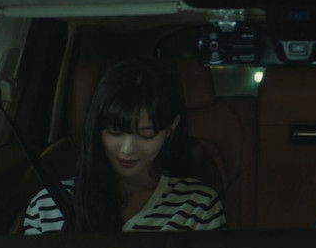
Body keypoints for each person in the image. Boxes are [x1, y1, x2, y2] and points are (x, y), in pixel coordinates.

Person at [24, 58, 225, 234]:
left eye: (146, 134)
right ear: (97, 128)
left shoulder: (198, 206)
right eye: (115, 132)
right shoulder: (48, 206)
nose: (127, 149)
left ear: (171, 127)